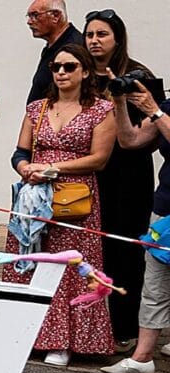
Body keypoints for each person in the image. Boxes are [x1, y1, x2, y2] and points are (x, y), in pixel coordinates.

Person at [5, 44, 116, 367]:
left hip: (74, 196)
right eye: (56, 67)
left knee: (68, 266)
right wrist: (25, 168)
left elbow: (100, 158)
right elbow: (20, 151)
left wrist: (56, 169)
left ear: (84, 71)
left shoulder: (100, 110)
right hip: (34, 195)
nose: (62, 73)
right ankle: (26, 334)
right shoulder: (37, 108)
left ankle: (64, 341)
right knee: (31, 259)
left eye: (69, 67)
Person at [83, 9, 156, 352]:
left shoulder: (139, 75)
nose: (95, 41)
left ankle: (124, 327)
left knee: (125, 250)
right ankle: (89, 325)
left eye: (102, 34)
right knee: (92, 249)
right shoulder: (77, 71)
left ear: (117, 39)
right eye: (90, 35)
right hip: (89, 172)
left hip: (128, 175)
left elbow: (152, 134)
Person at [100, 81, 170, 373]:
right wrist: (119, 102)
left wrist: (154, 110)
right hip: (166, 207)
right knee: (154, 284)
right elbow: (131, 141)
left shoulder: (160, 110)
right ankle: (142, 358)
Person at [25, 1, 83, 104]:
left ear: (56, 16)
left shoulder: (73, 48)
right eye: (29, 16)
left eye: (35, 15)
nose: (29, 21)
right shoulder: (53, 45)